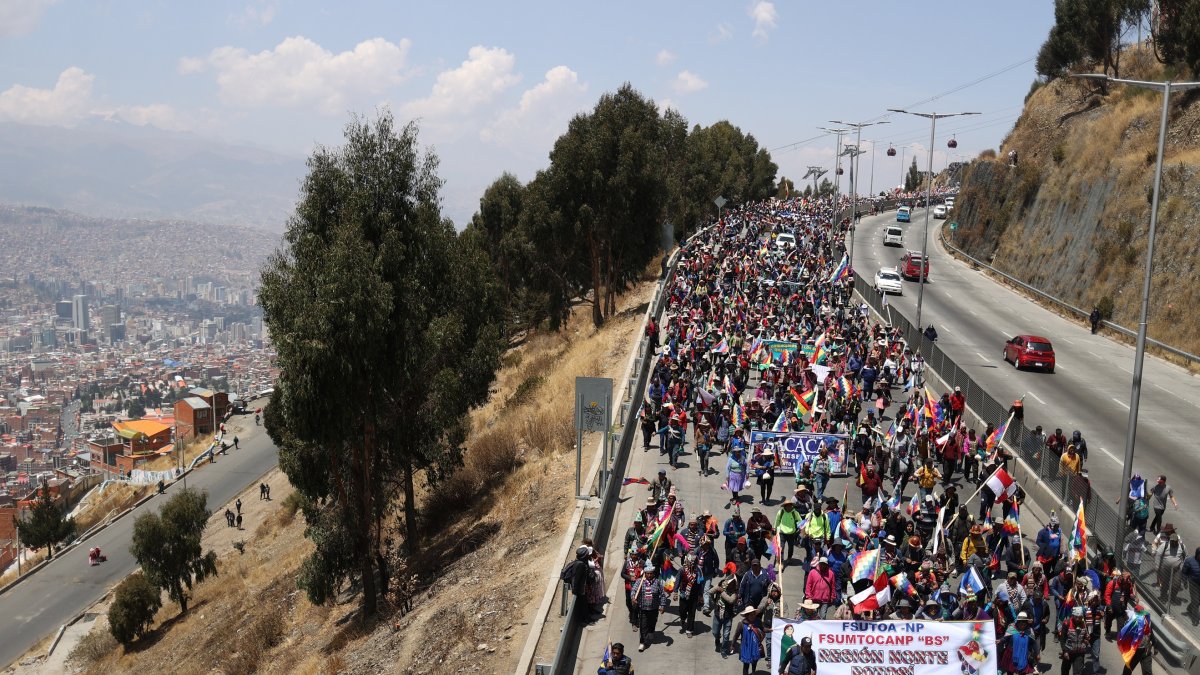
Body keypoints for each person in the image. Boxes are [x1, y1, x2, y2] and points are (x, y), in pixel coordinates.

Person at [630, 565, 668, 652]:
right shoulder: (640, 581)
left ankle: (651, 632)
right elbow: (634, 590)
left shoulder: (657, 582)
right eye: (648, 574)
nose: (649, 575)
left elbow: (662, 595)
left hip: (654, 608)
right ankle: (642, 642)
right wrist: (633, 597)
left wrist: (662, 606)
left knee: (652, 623)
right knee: (643, 626)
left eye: (651, 574)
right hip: (643, 608)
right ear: (645, 574)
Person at [1057, 605, 1091, 675]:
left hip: (1079, 653)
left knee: (1078, 672)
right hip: (1068, 652)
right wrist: (1065, 651)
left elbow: (1086, 639)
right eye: (1076, 617)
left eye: (1080, 617)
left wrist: (1087, 640)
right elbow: (1062, 639)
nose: (1078, 619)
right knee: (1064, 671)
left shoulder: (1084, 624)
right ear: (1073, 615)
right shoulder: (1067, 623)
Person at [710, 573, 739, 656]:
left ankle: (724, 650)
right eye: (729, 582)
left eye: (732, 583)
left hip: (728, 616)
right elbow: (710, 592)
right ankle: (717, 638)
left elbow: (730, 600)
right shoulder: (721, 585)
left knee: (726, 636)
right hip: (717, 614)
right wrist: (714, 600)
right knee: (715, 632)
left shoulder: (735, 593)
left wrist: (722, 592)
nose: (730, 584)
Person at [732, 607, 763, 675]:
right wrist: (732, 645)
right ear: (747, 615)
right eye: (751, 615)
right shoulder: (741, 624)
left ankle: (753, 672)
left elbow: (762, 629)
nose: (753, 616)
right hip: (746, 648)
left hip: (755, 647)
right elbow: (736, 635)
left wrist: (770, 630)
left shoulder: (758, 621)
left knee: (754, 662)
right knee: (746, 665)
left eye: (754, 614)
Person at [1184, 547, 1200, 625]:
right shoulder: (1189, 561)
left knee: (1198, 601)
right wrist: (1185, 582)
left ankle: (1190, 607)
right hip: (1193, 584)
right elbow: (1184, 572)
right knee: (1196, 601)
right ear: (1197, 554)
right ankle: (1195, 619)